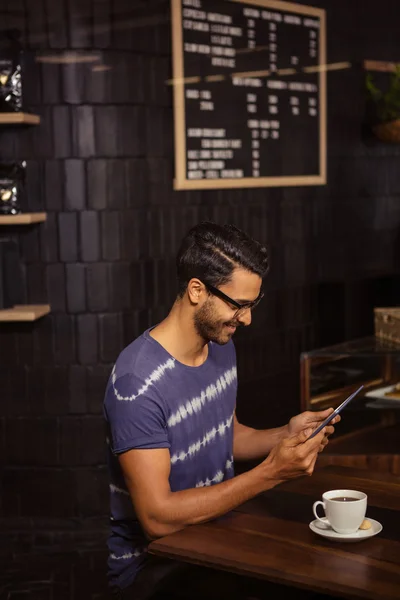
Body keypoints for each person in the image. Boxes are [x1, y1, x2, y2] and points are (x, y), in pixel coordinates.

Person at [104, 222, 339, 599]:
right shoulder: (136, 382)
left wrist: (287, 434)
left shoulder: (220, 344)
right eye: (239, 305)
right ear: (197, 290)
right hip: (156, 566)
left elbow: (226, 436)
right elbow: (157, 519)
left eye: (252, 304)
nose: (246, 319)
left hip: (216, 536)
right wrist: (271, 473)